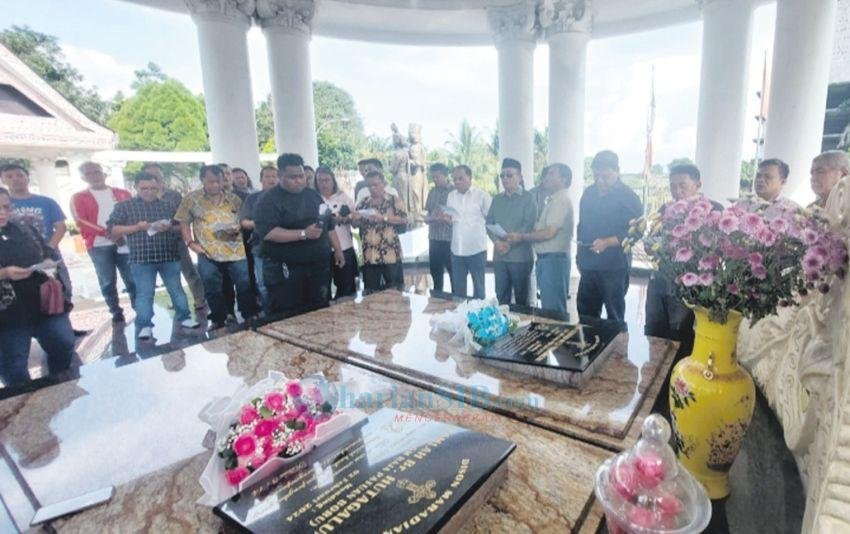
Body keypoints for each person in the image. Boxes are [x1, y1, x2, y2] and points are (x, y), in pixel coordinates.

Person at [108, 172, 200, 339]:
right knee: (144, 293)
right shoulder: (124, 206)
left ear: (159, 187)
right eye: (144, 188)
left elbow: (181, 226)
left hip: (168, 255)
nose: (149, 191)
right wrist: (137, 227)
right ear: (136, 187)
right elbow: (113, 230)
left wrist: (169, 227)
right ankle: (144, 326)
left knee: (176, 289)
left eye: (153, 188)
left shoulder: (167, 205)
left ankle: (185, 317)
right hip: (141, 258)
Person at [253, 153, 345, 317]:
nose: (299, 180)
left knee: (321, 312)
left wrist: (338, 250)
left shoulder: (312, 195)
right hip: (285, 271)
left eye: (301, 176)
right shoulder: (268, 200)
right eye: (292, 177)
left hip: (317, 267)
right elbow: (268, 233)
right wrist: (303, 234)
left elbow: (328, 225)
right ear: (280, 175)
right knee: (289, 316)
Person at [0, 186, 75, 386]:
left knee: (63, 343)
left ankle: (57, 385)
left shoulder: (23, 227)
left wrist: (49, 262)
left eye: (6, 207)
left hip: (42, 304)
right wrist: (4, 273)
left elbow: (46, 250)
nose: (3, 213)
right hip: (7, 314)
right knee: (14, 365)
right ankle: (23, 403)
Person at [1, 163, 87, 337]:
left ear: (27, 177)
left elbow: (60, 227)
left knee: (61, 289)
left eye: (19, 175)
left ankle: (63, 327)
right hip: (12, 267)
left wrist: (47, 250)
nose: (15, 179)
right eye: (9, 176)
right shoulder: (5, 201)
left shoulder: (45, 202)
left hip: (46, 256)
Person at [645, 164, 721, 351]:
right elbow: (653, 237)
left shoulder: (713, 210)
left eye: (682, 185)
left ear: (698, 184)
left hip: (688, 285)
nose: (676, 191)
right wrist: (650, 245)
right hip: (660, 279)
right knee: (654, 330)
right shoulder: (666, 208)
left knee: (680, 334)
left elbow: (717, 249)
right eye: (672, 186)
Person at [175, 165, 259, 330]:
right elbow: (184, 221)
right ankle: (219, 318)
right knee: (212, 286)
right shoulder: (192, 199)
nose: (215, 185)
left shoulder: (233, 198)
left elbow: (243, 219)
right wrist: (191, 243)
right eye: (211, 181)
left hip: (235, 249)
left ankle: (249, 314)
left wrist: (236, 227)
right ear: (202, 180)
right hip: (208, 251)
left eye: (218, 181)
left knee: (243, 283)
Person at [576, 151, 643, 329]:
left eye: (605, 176)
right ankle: (589, 351)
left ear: (617, 171)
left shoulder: (629, 197)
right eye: (596, 175)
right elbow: (581, 226)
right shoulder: (589, 193)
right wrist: (579, 256)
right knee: (586, 315)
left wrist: (607, 242)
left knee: (614, 315)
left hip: (614, 267)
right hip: (589, 264)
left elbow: (636, 232)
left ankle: (617, 354)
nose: (600, 181)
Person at [70, 161, 136, 323]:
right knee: (107, 280)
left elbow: (133, 213)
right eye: (89, 173)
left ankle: (139, 308)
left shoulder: (122, 193)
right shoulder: (79, 197)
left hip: (124, 242)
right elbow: (81, 220)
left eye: (96, 172)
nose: (94, 176)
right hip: (99, 245)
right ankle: (116, 311)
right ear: (83, 178)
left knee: (132, 278)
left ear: (104, 174)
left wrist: (123, 233)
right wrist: (109, 233)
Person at [507, 163, 573, 315]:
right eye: (547, 174)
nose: (546, 177)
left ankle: (557, 337)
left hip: (553, 261)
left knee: (553, 311)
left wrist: (521, 237)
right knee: (550, 308)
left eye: (551, 174)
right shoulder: (553, 199)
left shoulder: (560, 200)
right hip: (548, 260)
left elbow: (548, 233)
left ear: (563, 179)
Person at [141, 162, 206, 311]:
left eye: (158, 175)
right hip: (154, 243)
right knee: (169, 276)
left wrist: (173, 228)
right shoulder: (141, 198)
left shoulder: (173, 195)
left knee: (188, 270)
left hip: (175, 238)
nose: (156, 179)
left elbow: (183, 219)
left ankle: (199, 299)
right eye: (152, 176)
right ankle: (177, 301)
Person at [487, 158, 537, 305]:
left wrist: (508, 245)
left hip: (520, 258)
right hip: (500, 257)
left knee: (522, 300)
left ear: (520, 177)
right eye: (502, 176)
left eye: (509, 175)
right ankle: (504, 327)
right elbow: (489, 223)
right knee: (501, 297)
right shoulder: (497, 199)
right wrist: (496, 242)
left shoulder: (528, 198)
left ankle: (523, 328)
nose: (505, 179)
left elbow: (528, 225)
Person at [352, 170, 407, 294]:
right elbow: (355, 225)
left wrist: (383, 218)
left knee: (395, 293)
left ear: (383, 183)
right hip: (370, 255)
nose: (372, 188)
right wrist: (355, 219)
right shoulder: (364, 202)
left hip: (390, 254)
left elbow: (404, 220)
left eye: (375, 185)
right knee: (371, 294)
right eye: (369, 185)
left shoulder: (394, 200)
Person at [443, 165, 491, 300]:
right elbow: (450, 219)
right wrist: (446, 218)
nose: (456, 182)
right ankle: (460, 318)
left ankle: (480, 318)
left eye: (460, 178)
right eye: (454, 179)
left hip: (476, 249)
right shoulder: (451, 196)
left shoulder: (482, 196)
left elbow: (491, 219)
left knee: (479, 290)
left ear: (470, 177)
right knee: (458, 291)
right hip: (457, 250)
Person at [314, 166, 359, 299]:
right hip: (322, 249)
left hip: (344, 246)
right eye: (320, 180)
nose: (324, 184)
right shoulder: (313, 199)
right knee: (322, 289)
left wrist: (346, 218)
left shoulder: (343, 197)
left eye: (327, 180)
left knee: (346, 288)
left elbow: (355, 219)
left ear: (333, 180)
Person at [239, 165, 279, 311]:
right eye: (268, 176)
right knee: (263, 284)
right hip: (260, 246)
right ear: (261, 180)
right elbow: (244, 222)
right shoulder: (253, 198)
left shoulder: (285, 197)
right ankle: (269, 313)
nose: (271, 179)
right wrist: (261, 224)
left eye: (274, 176)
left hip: (285, 246)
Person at [424, 162, 454, 293]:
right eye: (433, 177)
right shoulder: (432, 192)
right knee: (436, 272)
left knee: (454, 273)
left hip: (449, 239)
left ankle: (456, 301)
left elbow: (458, 215)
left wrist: (446, 219)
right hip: (434, 238)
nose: (435, 180)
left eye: (437, 177)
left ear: (445, 175)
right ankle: (437, 300)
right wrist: (428, 218)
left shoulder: (454, 192)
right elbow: (427, 212)